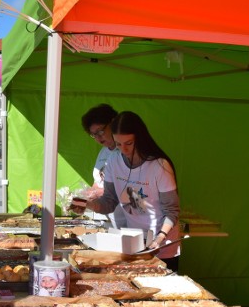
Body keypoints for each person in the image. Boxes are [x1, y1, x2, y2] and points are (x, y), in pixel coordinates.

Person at [77, 111, 181, 269]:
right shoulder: (113, 160)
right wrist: (85, 204)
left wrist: (159, 238)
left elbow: (172, 210)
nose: (123, 150)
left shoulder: (159, 166)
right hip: (133, 242)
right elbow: (109, 202)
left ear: (140, 138)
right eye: (118, 144)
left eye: (129, 143)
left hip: (162, 247)